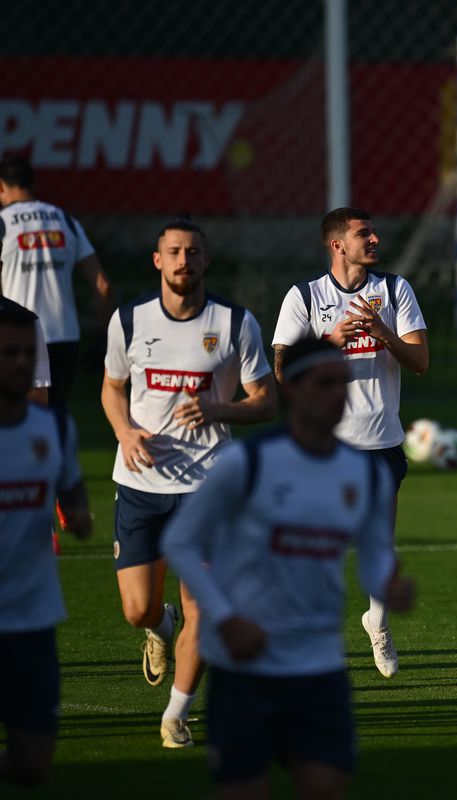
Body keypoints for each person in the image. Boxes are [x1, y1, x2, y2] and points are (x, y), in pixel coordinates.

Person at [162, 338, 415, 800]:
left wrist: (388, 583)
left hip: (319, 667)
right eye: (325, 384)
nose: (339, 394)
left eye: (343, 383)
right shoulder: (249, 463)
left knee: (325, 787)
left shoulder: (365, 475)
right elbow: (179, 540)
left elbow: (376, 552)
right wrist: (224, 616)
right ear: (294, 390)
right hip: (245, 670)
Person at [101, 217, 277, 748]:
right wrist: (125, 430)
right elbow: (112, 388)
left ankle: (177, 713)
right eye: (173, 252)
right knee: (137, 609)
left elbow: (266, 400)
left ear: (206, 261)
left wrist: (219, 409)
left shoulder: (235, 322)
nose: (183, 261)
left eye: (192, 252)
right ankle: (160, 625)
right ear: (158, 260)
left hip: (208, 487)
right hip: (140, 483)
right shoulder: (129, 320)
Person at [272, 206, 428, 679]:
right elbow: (281, 372)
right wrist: (329, 341)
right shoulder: (304, 296)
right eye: (365, 233)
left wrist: (384, 334)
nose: (375, 239)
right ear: (338, 245)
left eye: (375, 231)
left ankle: (377, 624)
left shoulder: (396, 291)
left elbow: (420, 360)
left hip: (380, 441)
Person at [0, 302, 91, 787]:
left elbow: (71, 483)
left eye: (23, 353)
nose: (18, 363)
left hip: (33, 619)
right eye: (6, 353)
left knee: (32, 765)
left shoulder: (54, 428)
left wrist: (76, 510)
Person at [0, 155, 112, 415]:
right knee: (55, 417)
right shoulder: (65, 219)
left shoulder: (3, 222)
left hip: (18, 333)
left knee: (17, 419)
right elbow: (103, 284)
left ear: (2, 186)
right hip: (65, 335)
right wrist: (102, 335)